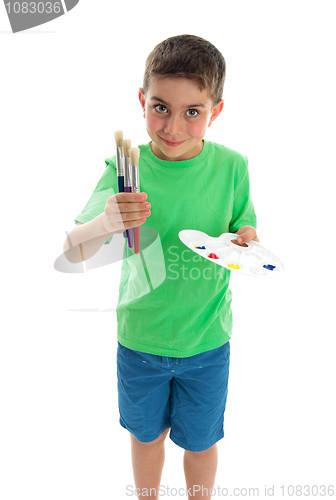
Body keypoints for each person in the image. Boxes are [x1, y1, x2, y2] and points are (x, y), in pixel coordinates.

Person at [63, 34, 258, 499]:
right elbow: (73, 251)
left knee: (201, 440)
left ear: (216, 111)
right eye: (160, 106)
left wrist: (246, 243)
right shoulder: (123, 168)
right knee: (146, 436)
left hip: (208, 340)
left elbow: (245, 231)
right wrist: (104, 222)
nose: (172, 125)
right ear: (141, 100)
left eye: (193, 111)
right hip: (140, 340)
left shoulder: (233, 166)